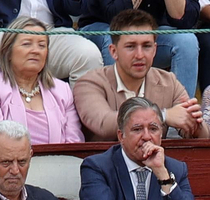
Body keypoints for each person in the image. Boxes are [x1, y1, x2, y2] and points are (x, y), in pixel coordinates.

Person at [78, 96, 201, 200]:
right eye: (137, 129)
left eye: (153, 129)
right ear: (121, 136)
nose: (147, 137)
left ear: (161, 135)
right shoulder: (97, 168)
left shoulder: (176, 170)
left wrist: (162, 174)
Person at [73, 9, 202, 140]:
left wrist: (195, 126)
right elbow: (103, 124)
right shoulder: (89, 83)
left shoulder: (169, 82)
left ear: (155, 50)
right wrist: (163, 115)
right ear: (113, 51)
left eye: (146, 46)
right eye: (131, 46)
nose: (140, 55)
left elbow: (202, 135)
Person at [0, 16, 83, 145]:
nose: (36, 51)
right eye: (27, 44)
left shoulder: (62, 90)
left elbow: (74, 142)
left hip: (58, 163)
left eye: (42, 45)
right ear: (7, 51)